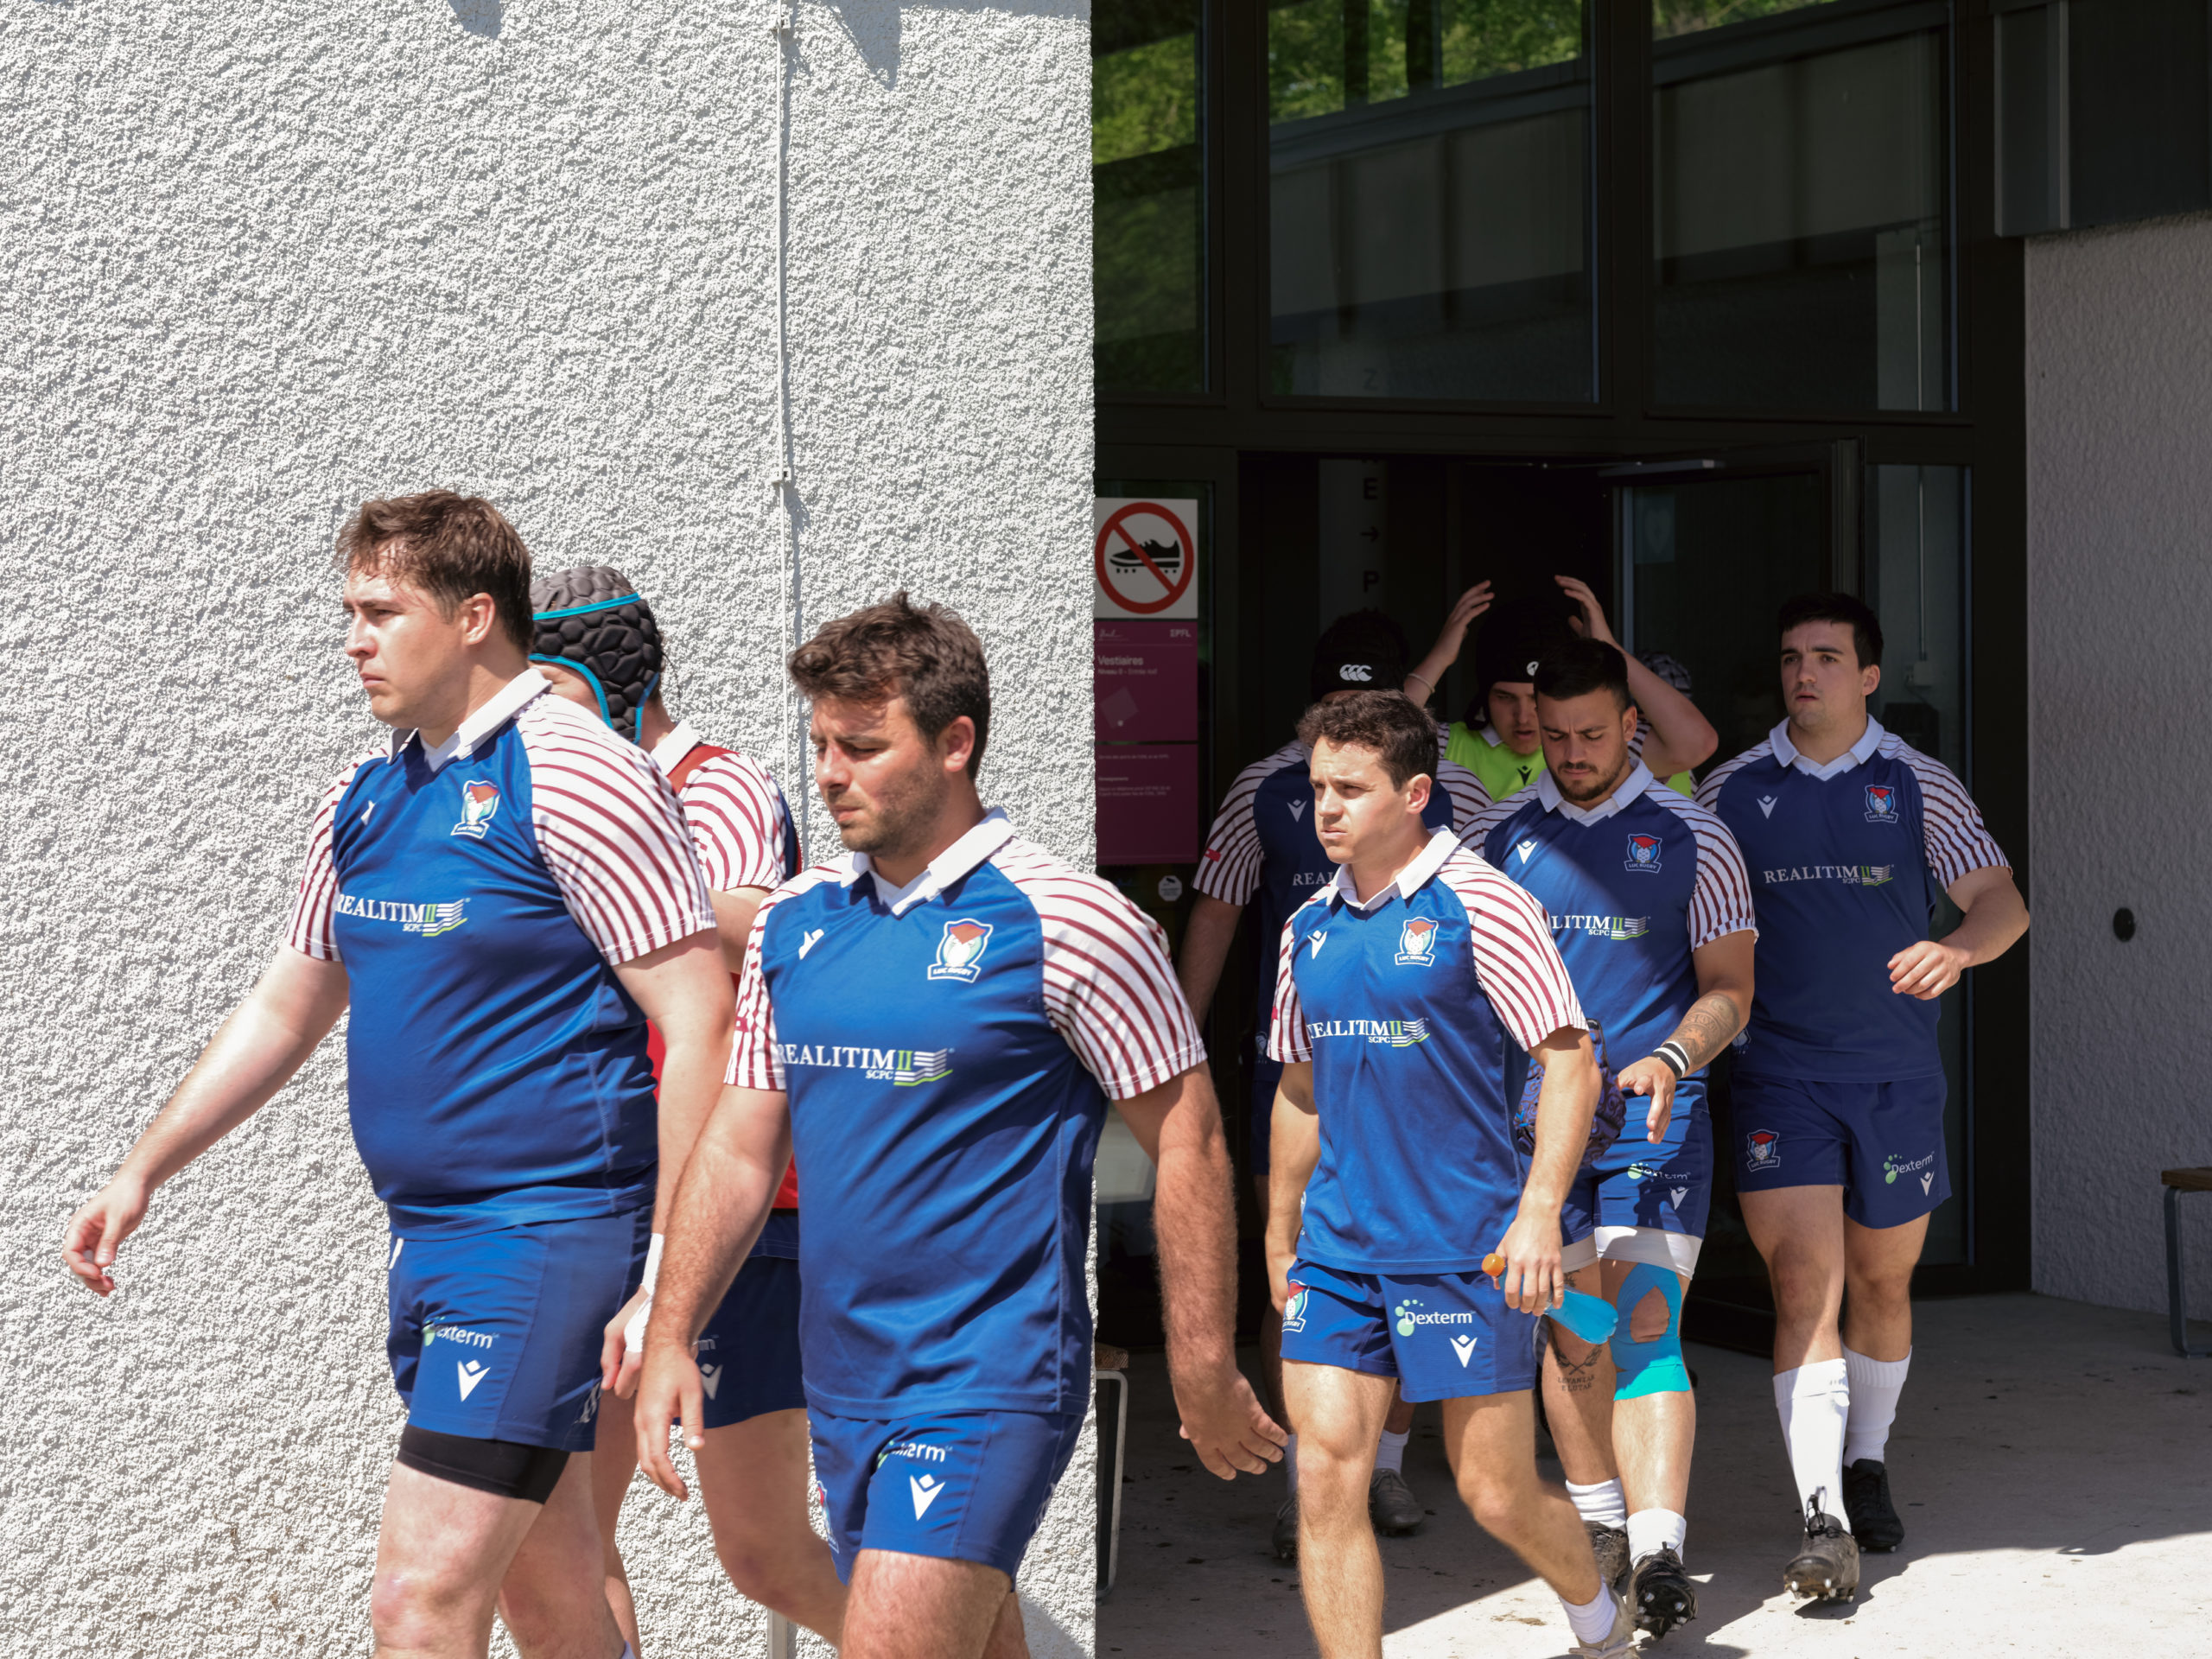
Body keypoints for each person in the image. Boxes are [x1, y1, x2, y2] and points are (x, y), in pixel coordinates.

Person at [60, 493, 735, 1659]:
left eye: (382, 613)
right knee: (549, 1593)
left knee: (418, 1600)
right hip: (428, 1238)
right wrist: (144, 1170)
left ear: (473, 618)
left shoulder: (579, 775)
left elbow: (700, 1018)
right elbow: (289, 1003)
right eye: (351, 613)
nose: (353, 640)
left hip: (543, 1236)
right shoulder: (368, 796)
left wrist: (667, 1276)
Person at [632, 593, 1282, 1659]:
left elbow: (1189, 1138)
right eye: (821, 745)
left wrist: (1201, 1360)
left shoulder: (1072, 921)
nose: (829, 774)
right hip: (844, 1376)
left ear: (954, 742)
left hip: (989, 1375)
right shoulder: (795, 922)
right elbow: (740, 1150)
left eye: (861, 747)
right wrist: (670, 1329)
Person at [1267, 689, 1637, 1659]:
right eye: (1318, 788)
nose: (1327, 808)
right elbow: (1299, 1088)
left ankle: (1601, 1614)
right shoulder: (1306, 925)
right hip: (1339, 1251)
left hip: (1465, 1248)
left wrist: (1539, 1214)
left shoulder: (1485, 903)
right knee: (1326, 1481)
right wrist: (1276, 1231)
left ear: (1416, 793)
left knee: (1494, 1492)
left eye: (1351, 789)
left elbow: (1570, 1060)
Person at [524, 566, 842, 1651]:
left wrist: (604, 876)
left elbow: (759, 921)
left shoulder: (717, 784)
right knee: (566, 1532)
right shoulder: (556, 793)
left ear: (613, 681)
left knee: (763, 1555)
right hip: (616, 1194)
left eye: (547, 691)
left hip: (736, 1209)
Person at [1698, 593, 2027, 1601]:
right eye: (1791, 658)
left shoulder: (1919, 782)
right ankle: (1823, 1517)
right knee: (1805, 1284)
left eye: (1827, 657)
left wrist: (1955, 950)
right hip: (1777, 1075)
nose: (1805, 673)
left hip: (1892, 1077)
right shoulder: (1730, 788)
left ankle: (1866, 1461)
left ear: (1869, 676)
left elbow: (2001, 902)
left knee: (1882, 1285)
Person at [1178, 608, 1489, 1557]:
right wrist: (1181, 1042)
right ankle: (1306, 1485)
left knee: (1405, 1269)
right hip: (1303, 1066)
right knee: (1299, 1268)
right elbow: (1218, 910)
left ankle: (1383, 1468)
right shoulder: (1264, 788)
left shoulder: (1458, 791)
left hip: (1425, 1078)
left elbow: (1499, 916)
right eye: (1334, 697)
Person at [1470, 637, 1758, 1638]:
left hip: (1652, 1124)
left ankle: (1659, 1550)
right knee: (1573, 1334)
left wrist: (1674, 1057)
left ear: (1632, 726)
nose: (1572, 751)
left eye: (1591, 733)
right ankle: (1600, 1526)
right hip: (1533, 1137)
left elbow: (1731, 990)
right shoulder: (1495, 838)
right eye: (1554, 735)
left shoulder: (1695, 836)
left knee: (1642, 1325)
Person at [1429, 579, 1714, 801]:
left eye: (1535, 699)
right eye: (1505, 697)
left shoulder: (1601, 742)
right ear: (1484, 695)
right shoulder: (1450, 745)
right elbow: (1396, 738)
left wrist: (1611, 649)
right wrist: (1439, 658)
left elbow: (1697, 744)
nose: (1523, 716)